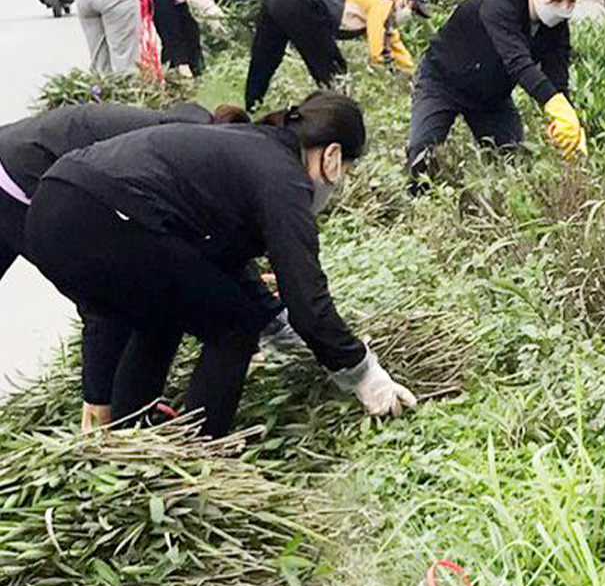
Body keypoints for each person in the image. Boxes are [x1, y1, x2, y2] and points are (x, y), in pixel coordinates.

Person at [24, 91, 416, 438]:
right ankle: (197, 450)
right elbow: (307, 300)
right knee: (234, 327)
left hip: (53, 207)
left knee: (161, 315)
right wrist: (364, 375)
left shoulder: (249, 147)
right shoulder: (284, 178)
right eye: (345, 171)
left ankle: (130, 443)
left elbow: (218, 267)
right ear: (332, 158)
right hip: (103, 214)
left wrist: (281, 332)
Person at [0, 101, 249, 431]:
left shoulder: (196, 139)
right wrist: (98, 397)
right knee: (112, 288)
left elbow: (206, 249)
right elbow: (99, 296)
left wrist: (265, 310)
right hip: (17, 180)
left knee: (140, 285)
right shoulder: (181, 158)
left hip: (30, 157)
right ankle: (105, 416)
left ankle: (124, 408)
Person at [406, 0, 586, 179]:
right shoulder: (498, 6)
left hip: (491, 98)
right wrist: (554, 104)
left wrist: (568, 121)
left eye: (572, 0)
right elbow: (518, 63)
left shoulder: (557, 28)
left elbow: (557, 79)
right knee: (422, 156)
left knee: (513, 165)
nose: (563, 7)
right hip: (443, 84)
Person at [244, 0, 428, 110]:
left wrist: (412, 74)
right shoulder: (383, 2)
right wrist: (392, 75)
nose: (410, 13)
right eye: (412, 7)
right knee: (334, 72)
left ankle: (251, 107)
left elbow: (394, 43)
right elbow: (376, 51)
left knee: (266, 56)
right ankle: (339, 119)